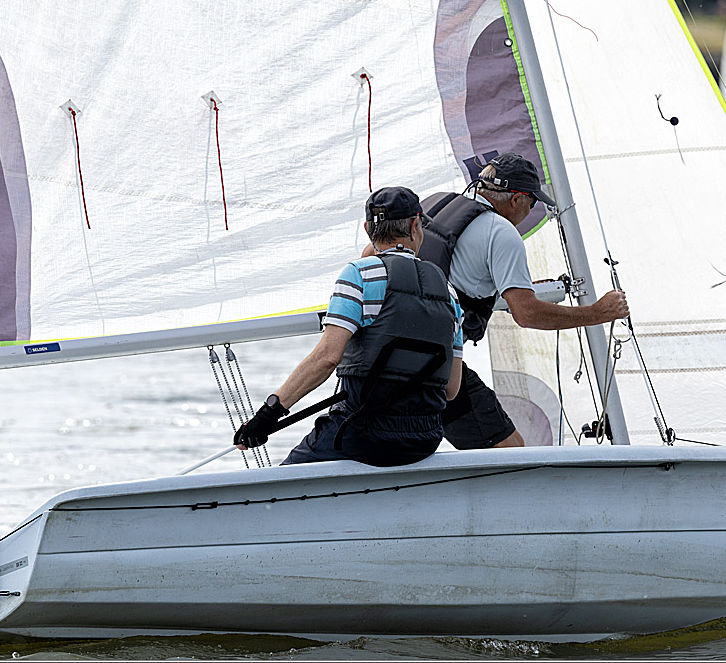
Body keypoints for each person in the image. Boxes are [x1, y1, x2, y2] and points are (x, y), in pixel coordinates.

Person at [371, 152, 630, 450]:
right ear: (517, 199)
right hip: (430, 368)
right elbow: (526, 313)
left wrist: (515, 286)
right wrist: (597, 313)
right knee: (509, 451)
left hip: (381, 357)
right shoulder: (502, 233)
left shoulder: (434, 204)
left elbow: (376, 254)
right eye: (533, 204)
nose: (531, 211)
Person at [234, 186, 464, 467]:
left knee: (278, 484)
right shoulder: (449, 294)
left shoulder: (358, 275)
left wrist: (266, 416)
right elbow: (451, 389)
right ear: (416, 225)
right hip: (423, 441)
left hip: (362, 436)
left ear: (367, 229)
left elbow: (328, 357)